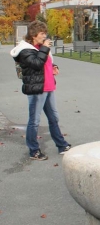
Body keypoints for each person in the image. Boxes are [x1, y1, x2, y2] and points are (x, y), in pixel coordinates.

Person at [10, 21, 71, 160]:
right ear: (33, 35)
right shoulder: (25, 50)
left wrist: (53, 66)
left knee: (54, 118)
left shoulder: (39, 48)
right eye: (42, 33)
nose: (45, 36)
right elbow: (37, 64)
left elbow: (44, 62)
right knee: (34, 121)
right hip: (37, 89)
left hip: (49, 87)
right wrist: (44, 49)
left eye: (45, 33)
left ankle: (61, 145)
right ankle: (34, 151)